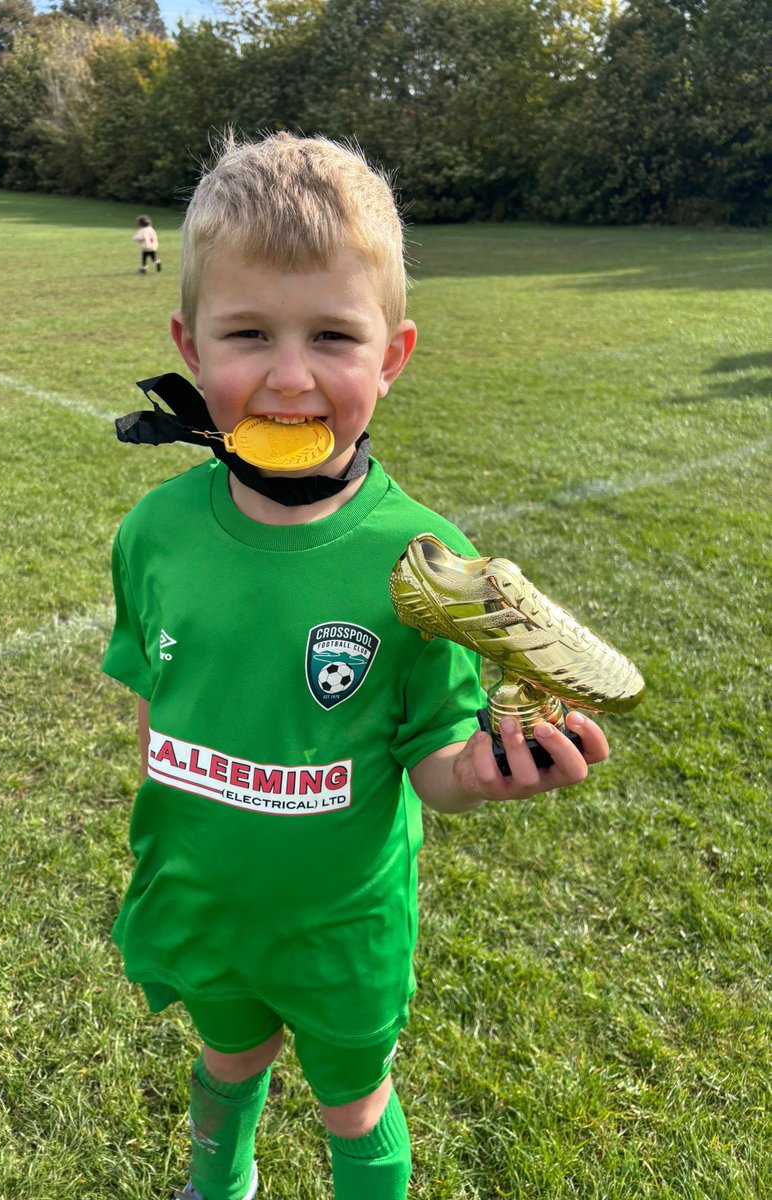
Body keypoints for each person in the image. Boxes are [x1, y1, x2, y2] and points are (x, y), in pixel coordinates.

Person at [102, 131, 610, 1200]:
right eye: (249, 333)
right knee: (228, 1058)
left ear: (392, 355)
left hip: (344, 927)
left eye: (333, 335)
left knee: (353, 1102)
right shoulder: (153, 533)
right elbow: (159, 700)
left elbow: (435, 759)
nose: (290, 378)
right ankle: (219, 1185)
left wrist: (484, 771)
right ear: (190, 344)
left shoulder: (424, 562)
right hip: (205, 901)